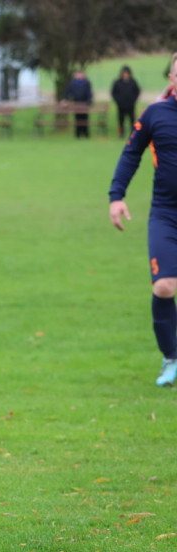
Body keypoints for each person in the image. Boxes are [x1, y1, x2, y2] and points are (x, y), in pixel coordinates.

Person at [108, 52, 177, 387]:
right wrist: (116, 196)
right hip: (167, 213)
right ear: (172, 79)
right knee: (164, 286)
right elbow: (131, 153)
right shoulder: (155, 114)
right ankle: (171, 357)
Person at [111, 65, 141, 138]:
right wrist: (118, 101)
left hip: (130, 105)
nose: (125, 75)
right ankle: (121, 134)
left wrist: (133, 100)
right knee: (121, 121)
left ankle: (133, 134)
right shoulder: (117, 82)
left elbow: (137, 91)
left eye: (127, 73)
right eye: (124, 73)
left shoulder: (133, 82)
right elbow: (113, 93)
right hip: (121, 106)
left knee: (132, 121)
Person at [63, 69, 94, 139]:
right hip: (76, 104)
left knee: (85, 119)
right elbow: (67, 92)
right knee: (77, 119)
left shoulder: (86, 83)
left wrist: (89, 100)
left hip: (85, 104)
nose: (79, 75)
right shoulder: (72, 83)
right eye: (78, 74)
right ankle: (78, 134)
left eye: (81, 74)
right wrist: (65, 99)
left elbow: (89, 93)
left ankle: (86, 134)